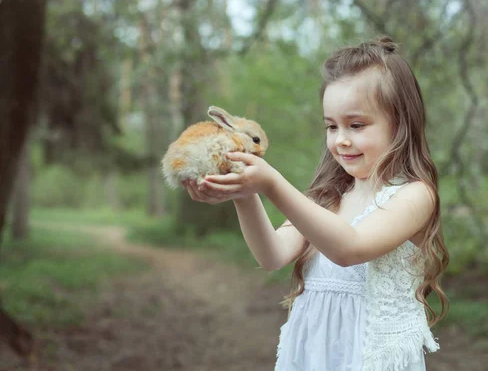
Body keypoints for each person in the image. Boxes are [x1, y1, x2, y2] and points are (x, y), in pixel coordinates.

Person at [183, 36, 450, 371]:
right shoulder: (327, 197)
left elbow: (349, 248)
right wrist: (246, 194)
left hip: (370, 359)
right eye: (331, 126)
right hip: (314, 357)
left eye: (356, 125)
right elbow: (272, 255)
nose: (341, 140)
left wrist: (272, 183)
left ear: (400, 123)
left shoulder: (413, 195)